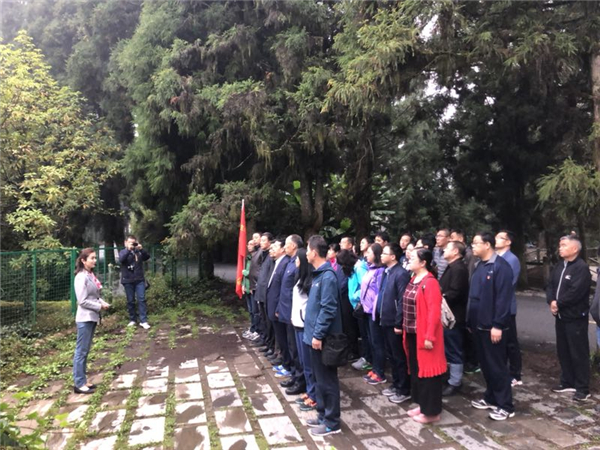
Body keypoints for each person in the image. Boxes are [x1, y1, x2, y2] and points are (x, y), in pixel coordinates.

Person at [469, 232, 515, 421]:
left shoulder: (500, 267)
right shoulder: (480, 265)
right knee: (486, 365)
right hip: (478, 324)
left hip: (492, 327)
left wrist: (497, 325)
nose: (473, 246)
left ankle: (505, 405)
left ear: (487, 245)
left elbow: (503, 299)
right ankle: (491, 397)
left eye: (476, 243)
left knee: (497, 366)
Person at [304, 235, 343, 436]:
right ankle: (322, 414)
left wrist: (318, 335)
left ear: (314, 252)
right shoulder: (318, 275)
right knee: (319, 380)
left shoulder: (327, 277)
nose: (305, 253)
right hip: (313, 336)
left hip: (323, 339)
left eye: (307, 250)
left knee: (327, 381)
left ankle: (332, 423)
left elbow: (328, 309)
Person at [403, 248, 446, 424]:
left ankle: (432, 412)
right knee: (417, 371)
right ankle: (422, 405)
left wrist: (429, 336)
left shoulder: (430, 282)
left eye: (413, 258)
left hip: (425, 335)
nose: (409, 260)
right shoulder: (413, 279)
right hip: (412, 333)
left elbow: (434, 312)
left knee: (429, 374)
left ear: (423, 263)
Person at [546, 235, 592, 402]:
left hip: (575, 317)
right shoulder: (559, 266)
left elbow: (576, 292)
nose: (560, 248)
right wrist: (551, 301)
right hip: (560, 316)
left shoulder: (581, 268)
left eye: (564, 245)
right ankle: (567, 381)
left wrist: (559, 303)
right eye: (560, 245)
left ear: (575, 249)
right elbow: (550, 285)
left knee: (578, 352)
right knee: (563, 350)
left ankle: (582, 388)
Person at [378, 244, 411, 404]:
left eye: (385, 253)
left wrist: (398, 323)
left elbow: (401, 300)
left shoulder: (401, 274)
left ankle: (403, 389)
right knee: (391, 355)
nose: (381, 255)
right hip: (385, 319)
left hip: (394, 322)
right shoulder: (387, 272)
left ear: (393, 256)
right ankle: (396, 384)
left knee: (399, 357)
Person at [73, 248, 110, 394]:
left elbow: (94, 296)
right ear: (83, 260)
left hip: (91, 317)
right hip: (85, 318)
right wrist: (99, 306)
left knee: (85, 350)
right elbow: (82, 301)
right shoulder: (81, 277)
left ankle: (83, 380)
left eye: (95, 258)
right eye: (92, 258)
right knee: (81, 352)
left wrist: (102, 302)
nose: (95, 260)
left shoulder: (90, 275)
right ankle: (79, 384)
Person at [439, 241, 470, 396]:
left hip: (453, 316)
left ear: (456, 251)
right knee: (449, 347)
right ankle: (451, 376)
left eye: (448, 248)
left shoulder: (459, 269)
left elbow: (455, 292)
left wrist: (439, 298)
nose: (444, 250)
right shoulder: (451, 266)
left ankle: (455, 381)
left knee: (454, 348)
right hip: (447, 314)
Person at [291, 248, 317, 411]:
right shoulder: (300, 278)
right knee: (303, 362)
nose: (295, 261)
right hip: (297, 324)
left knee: (309, 364)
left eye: (297, 259)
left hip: (304, 326)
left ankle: (314, 396)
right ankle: (309, 390)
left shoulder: (310, 281)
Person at [495, 230, 523, 386]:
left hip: (507, 306)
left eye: (500, 238)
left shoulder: (512, 259)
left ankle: (515, 374)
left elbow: (508, 283)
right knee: (501, 342)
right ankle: (503, 371)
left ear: (508, 242)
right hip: (495, 305)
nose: (496, 240)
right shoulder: (496, 257)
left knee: (511, 341)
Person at [278, 235, 305, 394]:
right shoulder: (290, 261)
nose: (284, 247)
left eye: (287, 244)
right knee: (291, 347)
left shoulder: (298, 263)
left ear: (294, 246)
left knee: (296, 349)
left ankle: (300, 380)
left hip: (293, 313)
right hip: (287, 310)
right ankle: (295, 375)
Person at [360, 243, 386, 384]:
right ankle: (375, 369)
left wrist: (375, 309)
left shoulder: (380, 271)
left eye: (369, 252)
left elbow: (379, 292)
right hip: (366, 310)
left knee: (377, 343)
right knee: (371, 341)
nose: (366, 255)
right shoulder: (370, 269)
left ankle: (380, 372)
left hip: (374, 312)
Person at [266, 238, 291, 376]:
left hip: (279, 308)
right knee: (280, 338)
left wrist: (278, 308)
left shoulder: (285, 263)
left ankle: (287, 364)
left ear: (282, 249)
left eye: (275, 246)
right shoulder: (277, 262)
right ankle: (284, 362)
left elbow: (283, 289)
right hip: (274, 305)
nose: (272, 249)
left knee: (284, 338)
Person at [119, 235, 151, 329]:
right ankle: (132, 319)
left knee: (142, 299)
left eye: (133, 243)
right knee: (130, 300)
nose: (132, 245)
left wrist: (141, 249)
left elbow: (147, 257)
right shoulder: (123, 252)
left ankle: (143, 321)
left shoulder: (138, 252)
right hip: (128, 280)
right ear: (125, 243)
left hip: (139, 279)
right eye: (130, 242)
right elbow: (121, 260)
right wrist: (128, 250)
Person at [336, 250, 362, 362]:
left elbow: (363, 286)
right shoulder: (347, 269)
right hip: (347, 300)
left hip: (353, 302)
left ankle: (355, 352)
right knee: (347, 327)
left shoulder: (358, 268)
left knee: (352, 327)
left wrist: (354, 296)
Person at [242, 239, 257, 339]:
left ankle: (255, 329)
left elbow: (252, 273)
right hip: (247, 287)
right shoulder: (248, 258)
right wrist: (243, 284)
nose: (249, 246)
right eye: (248, 244)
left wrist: (245, 273)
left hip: (253, 288)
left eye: (251, 244)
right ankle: (252, 328)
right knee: (251, 310)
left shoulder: (256, 258)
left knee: (255, 311)